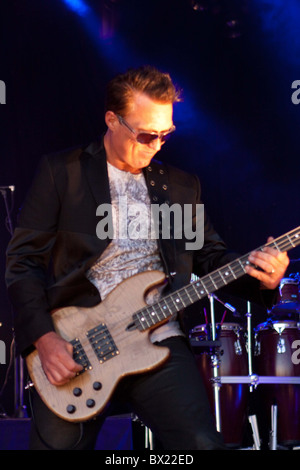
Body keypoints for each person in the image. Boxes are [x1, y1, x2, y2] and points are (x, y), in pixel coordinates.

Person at [5, 66, 289, 450]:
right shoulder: (63, 173)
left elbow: (211, 257)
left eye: (165, 134)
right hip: (77, 344)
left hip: (158, 339)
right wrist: (43, 338)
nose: (156, 144)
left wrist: (261, 278)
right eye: (145, 135)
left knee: (202, 444)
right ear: (112, 120)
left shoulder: (180, 186)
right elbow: (23, 264)